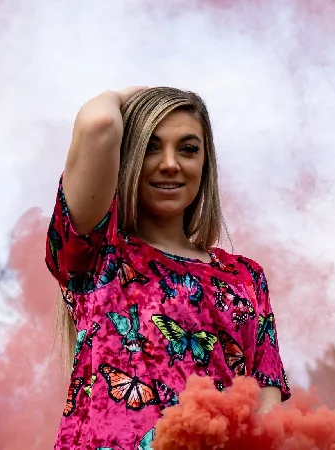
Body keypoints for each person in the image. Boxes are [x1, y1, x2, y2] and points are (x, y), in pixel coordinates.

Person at [44, 86, 290, 449]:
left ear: (206, 163)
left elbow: (267, 414)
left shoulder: (245, 277)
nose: (171, 163)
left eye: (188, 149)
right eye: (150, 147)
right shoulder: (96, 255)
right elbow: (99, 122)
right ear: (126, 158)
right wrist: (127, 96)